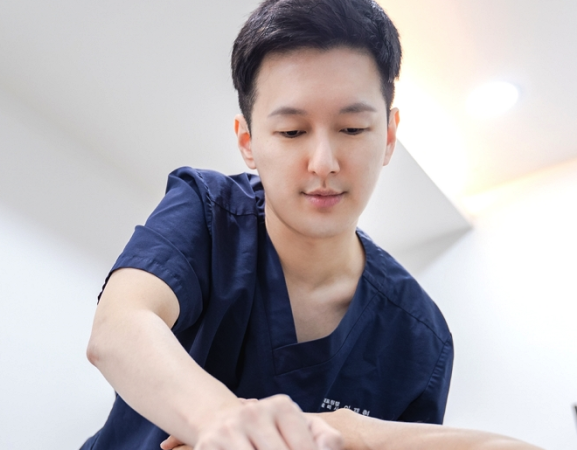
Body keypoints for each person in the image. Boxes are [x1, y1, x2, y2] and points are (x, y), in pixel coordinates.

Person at [82, 0, 456, 448]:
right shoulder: (209, 212)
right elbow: (119, 326)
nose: (323, 163)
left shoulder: (420, 336)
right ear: (248, 142)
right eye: (292, 132)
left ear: (389, 136)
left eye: (353, 129)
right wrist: (222, 421)